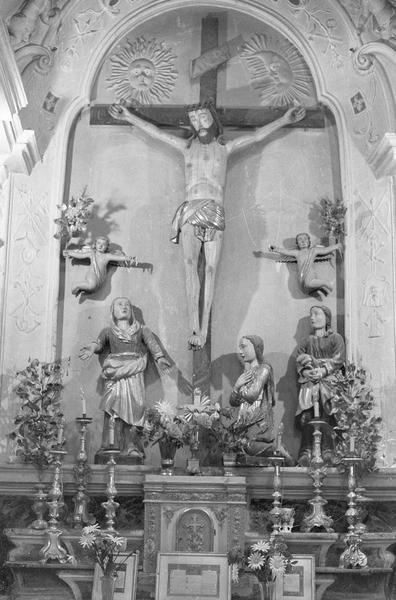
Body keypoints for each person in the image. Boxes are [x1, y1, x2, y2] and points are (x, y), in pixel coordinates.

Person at [109, 101, 306, 350]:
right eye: (193, 118)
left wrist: (285, 120)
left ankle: (203, 329)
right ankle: (194, 328)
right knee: (190, 267)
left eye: (202, 116)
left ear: (212, 118)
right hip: (191, 207)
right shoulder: (186, 147)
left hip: (214, 209)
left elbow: (256, 136)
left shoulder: (225, 148)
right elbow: (157, 133)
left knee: (211, 269)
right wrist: (129, 116)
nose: (198, 122)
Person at [79, 297, 171, 456]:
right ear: (113, 312)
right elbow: (99, 343)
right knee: (112, 409)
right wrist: (92, 347)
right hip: (114, 373)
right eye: (120, 304)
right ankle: (109, 446)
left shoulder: (141, 329)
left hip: (134, 372)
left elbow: (152, 344)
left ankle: (132, 447)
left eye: (127, 305)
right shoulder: (108, 331)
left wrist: (160, 358)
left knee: (135, 410)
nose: (124, 307)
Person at [295, 305, 345, 466]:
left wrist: (323, 371)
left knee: (327, 413)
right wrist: (306, 372)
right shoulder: (306, 341)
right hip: (310, 385)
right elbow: (299, 360)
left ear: (327, 318)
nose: (312, 317)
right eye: (311, 314)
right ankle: (306, 450)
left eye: (317, 314)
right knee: (307, 416)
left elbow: (338, 359)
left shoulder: (335, 338)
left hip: (329, 384)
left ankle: (328, 449)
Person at [230, 335, 275, 456]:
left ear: (256, 348)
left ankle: (276, 449)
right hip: (244, 424)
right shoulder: (246, 374)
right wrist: (236, 387)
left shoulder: (264, 369)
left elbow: (252, 395)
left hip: (258, 424)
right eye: (240, 347)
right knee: (234, 446)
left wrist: (239, 387)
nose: (241, 351)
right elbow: (233, 402)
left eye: (244, 347)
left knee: (247, 446)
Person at [269, 232, 342, 298]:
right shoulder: (297, 253)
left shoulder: (313, 250)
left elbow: (325, 250)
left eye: (305, 239)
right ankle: (318, 288)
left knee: (309, 283)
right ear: (297, 244)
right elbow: (286, 251)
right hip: (301, 276)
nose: (303, 241)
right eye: (300, 240)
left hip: (310, 273)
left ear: (309, 242)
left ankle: (325, 283)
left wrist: (337, 246)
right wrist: (275, 249)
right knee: (306, 287)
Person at [63, 236, 136, 296]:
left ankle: (82, 289)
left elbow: (118, 258)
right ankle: (77, 285)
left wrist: (129, 258)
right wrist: (70, 253)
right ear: (95, 244)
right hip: (92, 273)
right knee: (92, 285)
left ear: (107, 247)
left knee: (94, 287)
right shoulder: (92, 253)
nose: (100, 246)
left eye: (103, 244)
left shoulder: (107, 256)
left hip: (100, 277)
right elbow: (80, 255)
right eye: (99, 243)